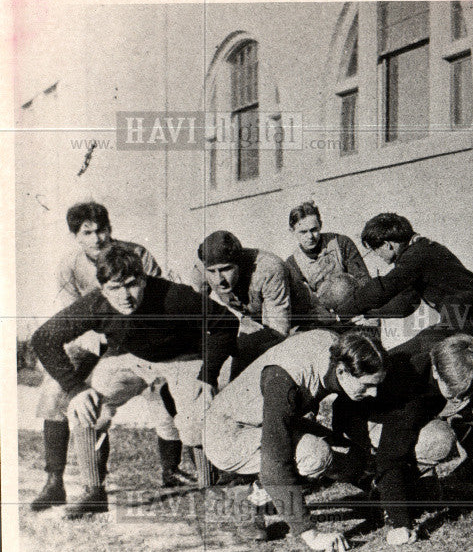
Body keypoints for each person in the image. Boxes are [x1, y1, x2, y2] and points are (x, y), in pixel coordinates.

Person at [31, 245, 239, 517]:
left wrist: (208, 375)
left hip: (183, 357)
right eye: (115, 288)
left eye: (131, 285)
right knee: (86, 408)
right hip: (131, 358)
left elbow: (226, 323)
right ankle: (94, 491)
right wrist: (75, 389)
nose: (125, 296)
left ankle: (211, 484)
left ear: (144, 279)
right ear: (102, 288)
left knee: (193, 420)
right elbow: (44, 338)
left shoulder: (173, 296)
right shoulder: (96, 303)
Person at [29, 202, 187, 514]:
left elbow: (154, 297)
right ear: (76, 236)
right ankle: (54, 481)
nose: (97, 237)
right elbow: (70, 317)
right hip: (93, 338)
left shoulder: (135, 254)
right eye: (87, 232)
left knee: (158, 386)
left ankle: (171, 469)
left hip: (136, 336)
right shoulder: (69, 265)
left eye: (101, 229)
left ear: (110, 229)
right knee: (56, 390)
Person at [204, 329, 387, 552]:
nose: (374, 393)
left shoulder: (340, 350)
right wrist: (311, 534)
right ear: (342, 371)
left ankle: (375, 488)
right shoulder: (283, 381)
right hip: (229, 431)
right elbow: (275, 463)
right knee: (315, 455)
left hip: (268, 418)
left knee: (351, 457)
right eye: (367, 386)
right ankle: (249, 499)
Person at [370, 332, 473, 543]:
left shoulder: (461, 353)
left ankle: (420, 485)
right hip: (373, 419)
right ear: (435, 372)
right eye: (452, 393)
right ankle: (381, 487)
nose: (459, 399)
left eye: (464, 393)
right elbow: (390, 457)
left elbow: (470, 407)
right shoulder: (409, 387)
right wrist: (401, 523)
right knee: (438, 440)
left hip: (420, 411)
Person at [335, 213, 473, 341]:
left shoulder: (415, 256)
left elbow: (383, 288)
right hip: (460, 315)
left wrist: (343, 312)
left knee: (413, 358)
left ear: (387, 245)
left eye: (375, 249)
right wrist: (368, 314)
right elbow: (405, 303)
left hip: (468, 318)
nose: (376, 255)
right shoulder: (418, 250)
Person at [191, 230, 302, 374]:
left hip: (297, 320)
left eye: (226, 269)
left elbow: (278, 330)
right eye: (212, 272)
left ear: (240, 263)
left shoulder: (269, 268)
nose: (219, 280)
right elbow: (192, 309)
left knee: (242, 350)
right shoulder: (201, 269)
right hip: (257, 318)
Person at [284, 200, 372, 328]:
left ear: (320, 225)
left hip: (357, 311)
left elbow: (363, 279)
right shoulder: (292, 263)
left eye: (314, 230)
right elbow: (305, 303)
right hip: (326, 321)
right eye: (303, 232)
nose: (310, 236)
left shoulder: (341, 243)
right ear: (292, 231)